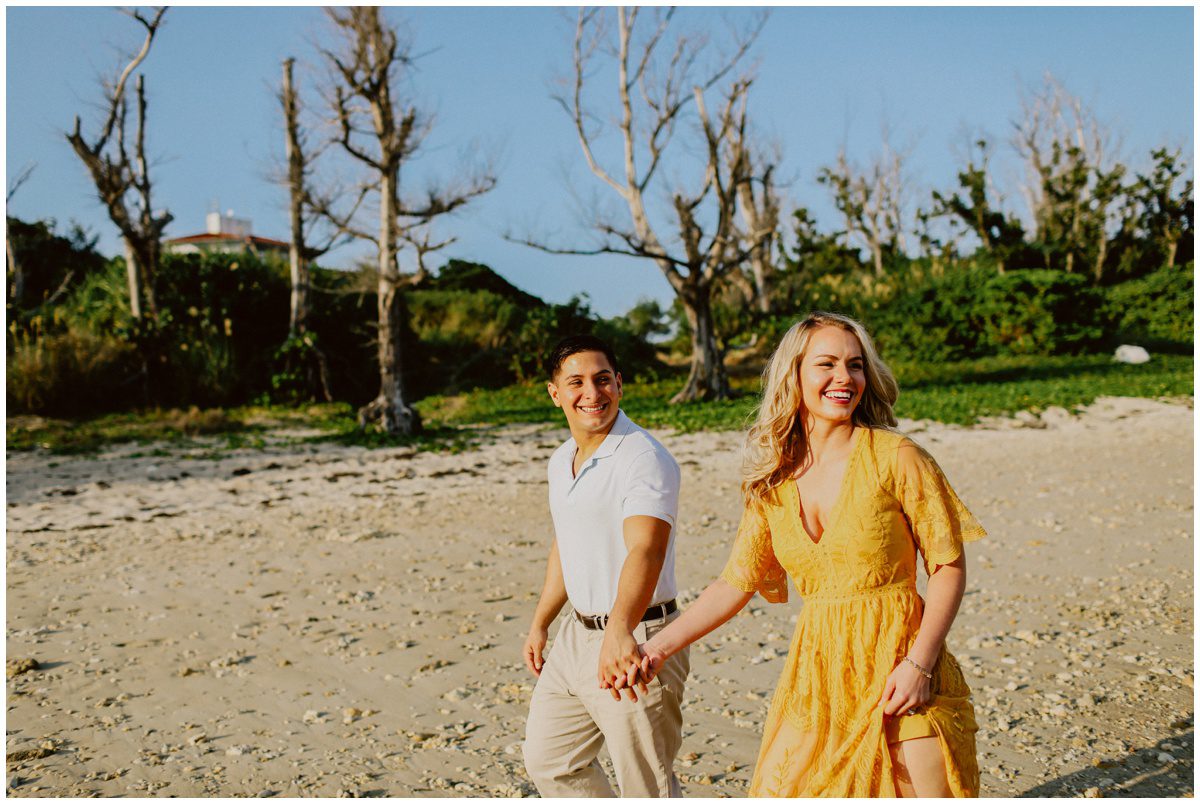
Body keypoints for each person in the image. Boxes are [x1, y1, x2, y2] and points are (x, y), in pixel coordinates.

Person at [614, 312, 985, 797]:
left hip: (903, 661)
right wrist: (656, 649)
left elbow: (947, 566)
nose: (844, 378)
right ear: (794, 376)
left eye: (855, 366)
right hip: (818, 673)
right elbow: (734, 583)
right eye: (826, 364)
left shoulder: (897, 457)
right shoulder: (771, 482)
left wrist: (919, 664)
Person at [521, 334, 690, 797]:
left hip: (637, 635)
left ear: (619, 384)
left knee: (646, 786)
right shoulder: (561, 461)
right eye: (576, 382)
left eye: (602, 379)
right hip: (575, 637)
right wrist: (541, 622)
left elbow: (646, 550)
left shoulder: (643, 458)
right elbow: (567, 542)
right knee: (550, 762)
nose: (591, 393)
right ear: (555, 393)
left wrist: (619, 630)